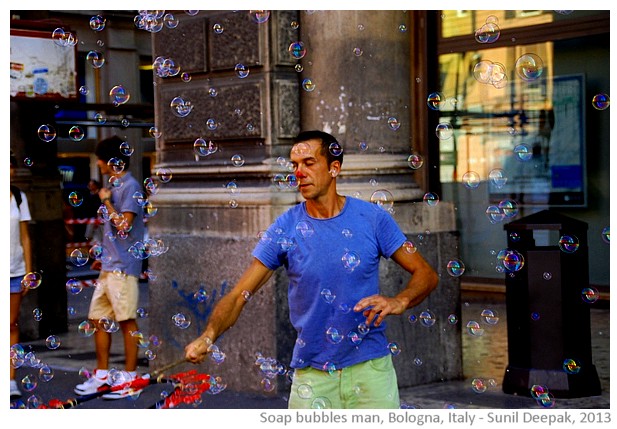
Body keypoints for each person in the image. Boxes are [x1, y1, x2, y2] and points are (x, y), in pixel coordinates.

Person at [185, 130, 439, 408]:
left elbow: (426, 274)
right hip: (312, 375)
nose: (299, 172)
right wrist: (208, 335)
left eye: (308, 163)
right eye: (294, 165)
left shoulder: (373, 219)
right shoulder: (286, 227)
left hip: (371, 371)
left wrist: (400, 300)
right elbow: (238, 294)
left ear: (334, 168)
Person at [73, 136, 146, 400]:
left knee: (126, 321)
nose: (98, 164)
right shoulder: (113, 185)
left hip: (124, 268)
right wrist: (102, 256)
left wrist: (105, 200)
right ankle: (102, 377)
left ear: (111, 161)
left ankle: (130, 378)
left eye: (100, 159)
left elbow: (125, 225)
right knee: (97, 320)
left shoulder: (130, 186)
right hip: (109, 266)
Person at [10, 154, 33, 399]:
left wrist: (28, 269)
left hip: (15, 270)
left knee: (10, 325)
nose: (11, 170)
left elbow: (25, 236)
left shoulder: (18, 197)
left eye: (12, 166)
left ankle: (10, 379)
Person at [83, 179, 103, 243]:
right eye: (89, 185)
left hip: (99, 219)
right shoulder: (89, 195)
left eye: (92, 185)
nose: (90, 187)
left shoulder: (100, 195)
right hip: (91, 218)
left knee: (100, 237)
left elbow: (100, 207)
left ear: (96, 185)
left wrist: (98, 217)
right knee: (89, 236)